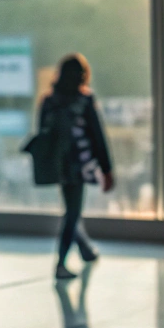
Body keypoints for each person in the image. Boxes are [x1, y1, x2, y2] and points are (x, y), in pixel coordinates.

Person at [34, 54, 114, 280]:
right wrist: (107, 169)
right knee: (73, 212)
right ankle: (61, 263)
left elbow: (42, 134)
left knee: (71, 209)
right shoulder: (84, 100)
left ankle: (86, 250)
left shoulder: (48, 101)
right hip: (79, 165)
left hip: (58, 165)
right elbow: (97, 137)